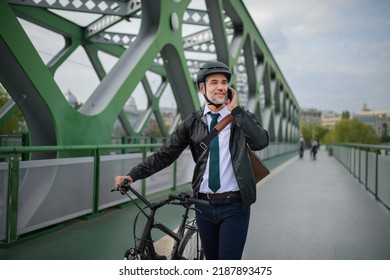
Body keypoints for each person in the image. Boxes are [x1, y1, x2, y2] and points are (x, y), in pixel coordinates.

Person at [115, 61, 269, 260]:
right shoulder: (192, 122)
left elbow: (261, 141)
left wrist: (236, 111)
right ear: (202, 88)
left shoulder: (242, 118)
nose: (221, 87)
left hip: (235, 206)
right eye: (214, 82)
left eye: (224, 82)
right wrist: (132, 174)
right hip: (203, 205)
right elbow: (164, 155)